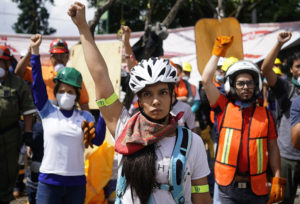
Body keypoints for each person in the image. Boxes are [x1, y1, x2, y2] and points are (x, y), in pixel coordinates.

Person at [68, 2, 212, 203]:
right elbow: (100, 76)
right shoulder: (124, 128)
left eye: (162, 92)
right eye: (147, 94)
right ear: (139, 99)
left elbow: (202, 195)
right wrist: (83, 27)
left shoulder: (192, 142)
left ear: (172, 96)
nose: (155, 100)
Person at [202, 36, 285, 204]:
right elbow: (206, 80)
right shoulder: (223, 107)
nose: (245, 87)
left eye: (249, 83)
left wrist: (277, 178)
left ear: (256, 85)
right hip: (227, 187)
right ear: (232, 86)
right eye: (240, 83)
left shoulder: (266, 114)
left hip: (258, 188)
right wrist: (218, 51)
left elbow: (273, 148)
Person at [28, 34, 106, 204]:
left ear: (77, 95)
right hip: (48, 183)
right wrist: (35, 52)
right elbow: (38, 85)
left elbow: (98, 140)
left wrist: (103, 115)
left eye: (70, 92)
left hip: (76, 184)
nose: (65, 95)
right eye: (62, 91)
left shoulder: (85, 117)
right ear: (55, 92)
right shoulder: (48, 111)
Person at [261, 32, 300, 204]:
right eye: (298, 66)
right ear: (291, 69)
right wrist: (278, 43)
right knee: (283, 201)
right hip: (286, 159)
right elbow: (266, 69)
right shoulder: (286, 87)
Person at [0, 45, 36, 204]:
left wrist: (28, 135)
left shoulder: (17, 83)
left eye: (2, 62)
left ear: (8, 64)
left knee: (7, 175)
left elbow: (28, 111)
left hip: (9, 137)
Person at [14, 37, 90, 111]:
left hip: (68, 119)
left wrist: (88, 121)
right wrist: (30, 53)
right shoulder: (41, 72)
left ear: (67, 57)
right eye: (55, 56)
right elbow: (18, 73)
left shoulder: (74, 76)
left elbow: (83, 103)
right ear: (51, 57)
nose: (59, 58)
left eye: (61, 55)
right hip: (44, 118)